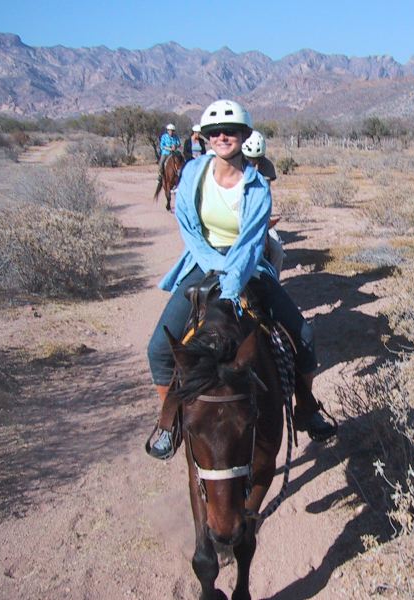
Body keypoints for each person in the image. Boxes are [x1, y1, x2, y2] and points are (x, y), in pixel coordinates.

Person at [146, 99, 336, 459]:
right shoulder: (192, 173)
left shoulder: (258, 186)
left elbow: (250, 242)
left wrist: (232, 285)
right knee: (158, 349)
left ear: (243, 135)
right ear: (206, 136)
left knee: (304, 336)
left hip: (247, 265)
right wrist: (212, 265)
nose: (222, 137)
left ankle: (306, 406)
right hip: (202, 260)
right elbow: (189, 228)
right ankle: (170, 421)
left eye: (230, 131)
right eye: (215, 132)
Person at [243, 130, 284, 277]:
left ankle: (274, 283)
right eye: (250, 159)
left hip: (259, 216)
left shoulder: (266, 166)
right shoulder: (234, 166)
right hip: (237, 216)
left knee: (277, 250)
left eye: (257, 159)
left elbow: (265, 196)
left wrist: (265, 221)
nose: (253, 162)